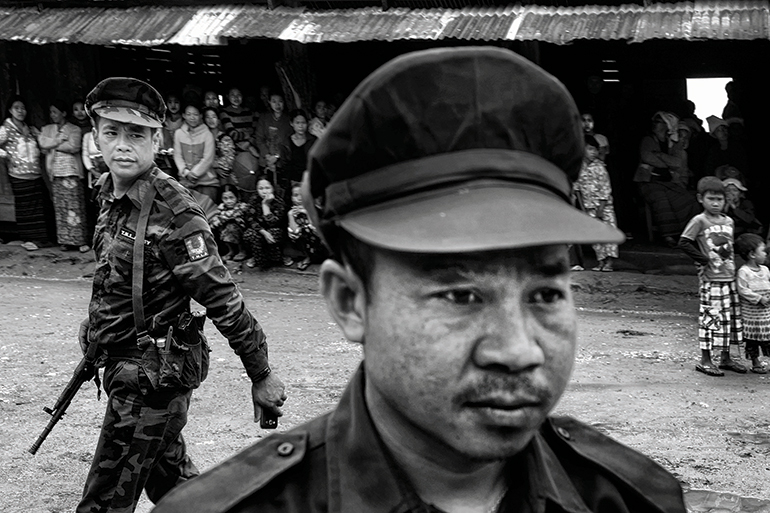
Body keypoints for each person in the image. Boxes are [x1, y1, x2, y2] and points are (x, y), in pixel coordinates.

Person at [154, 47, 686, 513]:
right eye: (460, 295)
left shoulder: (634, 498)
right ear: (351, 301)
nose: (519, 351)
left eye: (546, 293)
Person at [76, 77, 286, 513]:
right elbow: (113, 277)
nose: (122, 145)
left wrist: (261, 373)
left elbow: (223, 298)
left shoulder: (176, 214)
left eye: (136, 134)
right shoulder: (108, 194)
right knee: (177, 489)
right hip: (123, 365)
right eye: (111, 131)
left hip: (152, 379)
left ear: (157, 139)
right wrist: (95, 327)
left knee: (102, 503)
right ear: (96, 136)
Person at [679, 176, 747, 377]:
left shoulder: (729, 221)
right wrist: (703, 260)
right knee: (711, 318)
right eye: (711, 199)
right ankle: (705, 359)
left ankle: (726, 358)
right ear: (701, 198)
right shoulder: (699, 220)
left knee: (730, 320)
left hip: (728, 277)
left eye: (720, 199)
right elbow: (684, 242)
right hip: (711, 279)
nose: (716, 203)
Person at [634, 111, 699, 247]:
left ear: (667, 125)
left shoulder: (673, 143)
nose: (655, 124)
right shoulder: (648, 140)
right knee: (661, 199)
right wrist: (666, 164)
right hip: (648, 182)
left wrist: (659, 156)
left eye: (658, 122)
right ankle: (668, 236)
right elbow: (647, 157)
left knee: (687, 199)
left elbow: (677, 162)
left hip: (668, 183)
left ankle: (686, 234)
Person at [38, 99, 90, 252]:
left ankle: (81, 241)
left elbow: (74, 146)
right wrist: (59, 140)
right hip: (56, 173)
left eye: (55, 112)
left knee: (75, 207)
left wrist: (52, 143)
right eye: (51, 112)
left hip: (72, 172)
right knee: (61, 208)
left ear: (64, 113)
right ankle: (65, 241)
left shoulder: (74, 129)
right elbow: (42, 143)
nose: (52, 115)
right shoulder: (48, 129)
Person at [0, 94, 49, 251]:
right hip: (18, 174)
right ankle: (29, 239)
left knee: (40, 205)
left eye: (23, 108)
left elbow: (42, 146)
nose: (21, 111)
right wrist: (6, 155)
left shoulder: (31, 128)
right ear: (10, 110)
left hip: (35, 173)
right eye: (16, 108)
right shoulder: (5, 129)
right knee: (25, 207)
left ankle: (41, 238)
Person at [574, 134, 619, 271]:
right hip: (589, 207)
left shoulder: (600, 167)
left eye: (595, 150)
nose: (594, 153)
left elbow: (605, 189)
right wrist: (582, 208)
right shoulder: (579, 168)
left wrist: (601, 208)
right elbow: (577, 189)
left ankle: (609, 262)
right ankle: (601, 261)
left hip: (604, 208)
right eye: (590, 149)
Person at [734, 233, 770, 374]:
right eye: (763, 252)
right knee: (752, 341)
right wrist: (758, 298)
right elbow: (743, 290)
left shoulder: (766, 270)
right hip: (751, 315)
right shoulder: (744, 272)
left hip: (766, 313)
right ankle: (755, 362)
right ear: (752, 254)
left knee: (768, 338)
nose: (766, 255)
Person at [173, 103, 217, 202]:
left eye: (195, 114)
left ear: (201, 116)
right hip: (185, 179)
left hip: (206, 181)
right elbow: (177, 155)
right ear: (183, 115)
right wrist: (185, 172)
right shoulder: (178, 134)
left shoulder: (207, 134)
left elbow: (208, 159)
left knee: (206, 210)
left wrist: (193, 174)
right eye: (188, 114)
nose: (192, 117)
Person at [220, 87, 259, 197]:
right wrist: (247, 135)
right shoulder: (224, 112)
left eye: (239, 95)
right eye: (233, 95)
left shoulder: (248, 111)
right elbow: (233, 134)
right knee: (237, 186)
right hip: (235, 154)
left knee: (251, 180)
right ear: (227, 96)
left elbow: (255, 131)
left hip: (249, 151)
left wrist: (248, 142)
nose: (236, 98)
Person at [243, 176, 286, 271]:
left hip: (275, 230)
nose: (264, 191)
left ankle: (277, 257)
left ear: (273, 188)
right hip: (259, 230)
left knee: (274, 233)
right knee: (250, 234)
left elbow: (273, 223)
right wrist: (263, 232)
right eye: (261, 188)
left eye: (267, 188)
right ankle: (258, 259)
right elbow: (250, 220)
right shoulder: (253, 200)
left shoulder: (278, 202)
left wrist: (265, 205)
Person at [255, 92, 292, 193]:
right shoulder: (264, 118)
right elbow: (259, 139)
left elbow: (289, 141)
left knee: (282, 190)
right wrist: (267, 156)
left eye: (280, 101)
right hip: (265, 161)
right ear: (269, 102)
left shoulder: (288, 119)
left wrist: (276, 156)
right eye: (274, 102)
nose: (277, 105)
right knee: (266, 189)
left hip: (282, 161)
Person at [286, 182, 324, 271]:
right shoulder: (292, 212)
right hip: (306, 247)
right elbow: (294, 235)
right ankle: (309, 257)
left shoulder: (316, 209)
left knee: (307, 229)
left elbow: (319, 232)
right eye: (296, 195)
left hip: (322, 246)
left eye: (302, 195)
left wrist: (308, 214)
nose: (299, 198)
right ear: (291, 198)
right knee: (301, 231)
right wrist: (290, 215)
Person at [210, 183, 249, 262]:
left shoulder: (242, 206)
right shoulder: (222, 208)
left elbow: (231, 215)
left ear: (237, 197)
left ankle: (242, 251)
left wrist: (219, 217)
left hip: (241, 231)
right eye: (225, 198)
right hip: (226, 231)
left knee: (231, 227)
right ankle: (231, 251)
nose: (229, 201)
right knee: (220, 228)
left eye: (231, 198)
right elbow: (215, 220)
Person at [203, 106, 236, 193]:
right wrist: (213, 167)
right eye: (208, 117)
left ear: (218, 120)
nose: (211, 120)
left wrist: (216, 166)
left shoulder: (225, 138)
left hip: (222, 174)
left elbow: (228, 161)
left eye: (214, 117)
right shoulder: (201, 138)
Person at [281, 109, 317, 185]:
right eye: (297, 123)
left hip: (309, 180)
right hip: (292, 181)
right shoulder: (286, 142)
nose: (301, 126)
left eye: (303, 123)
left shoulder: (313, 141)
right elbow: (284, 164)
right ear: (291, 123)